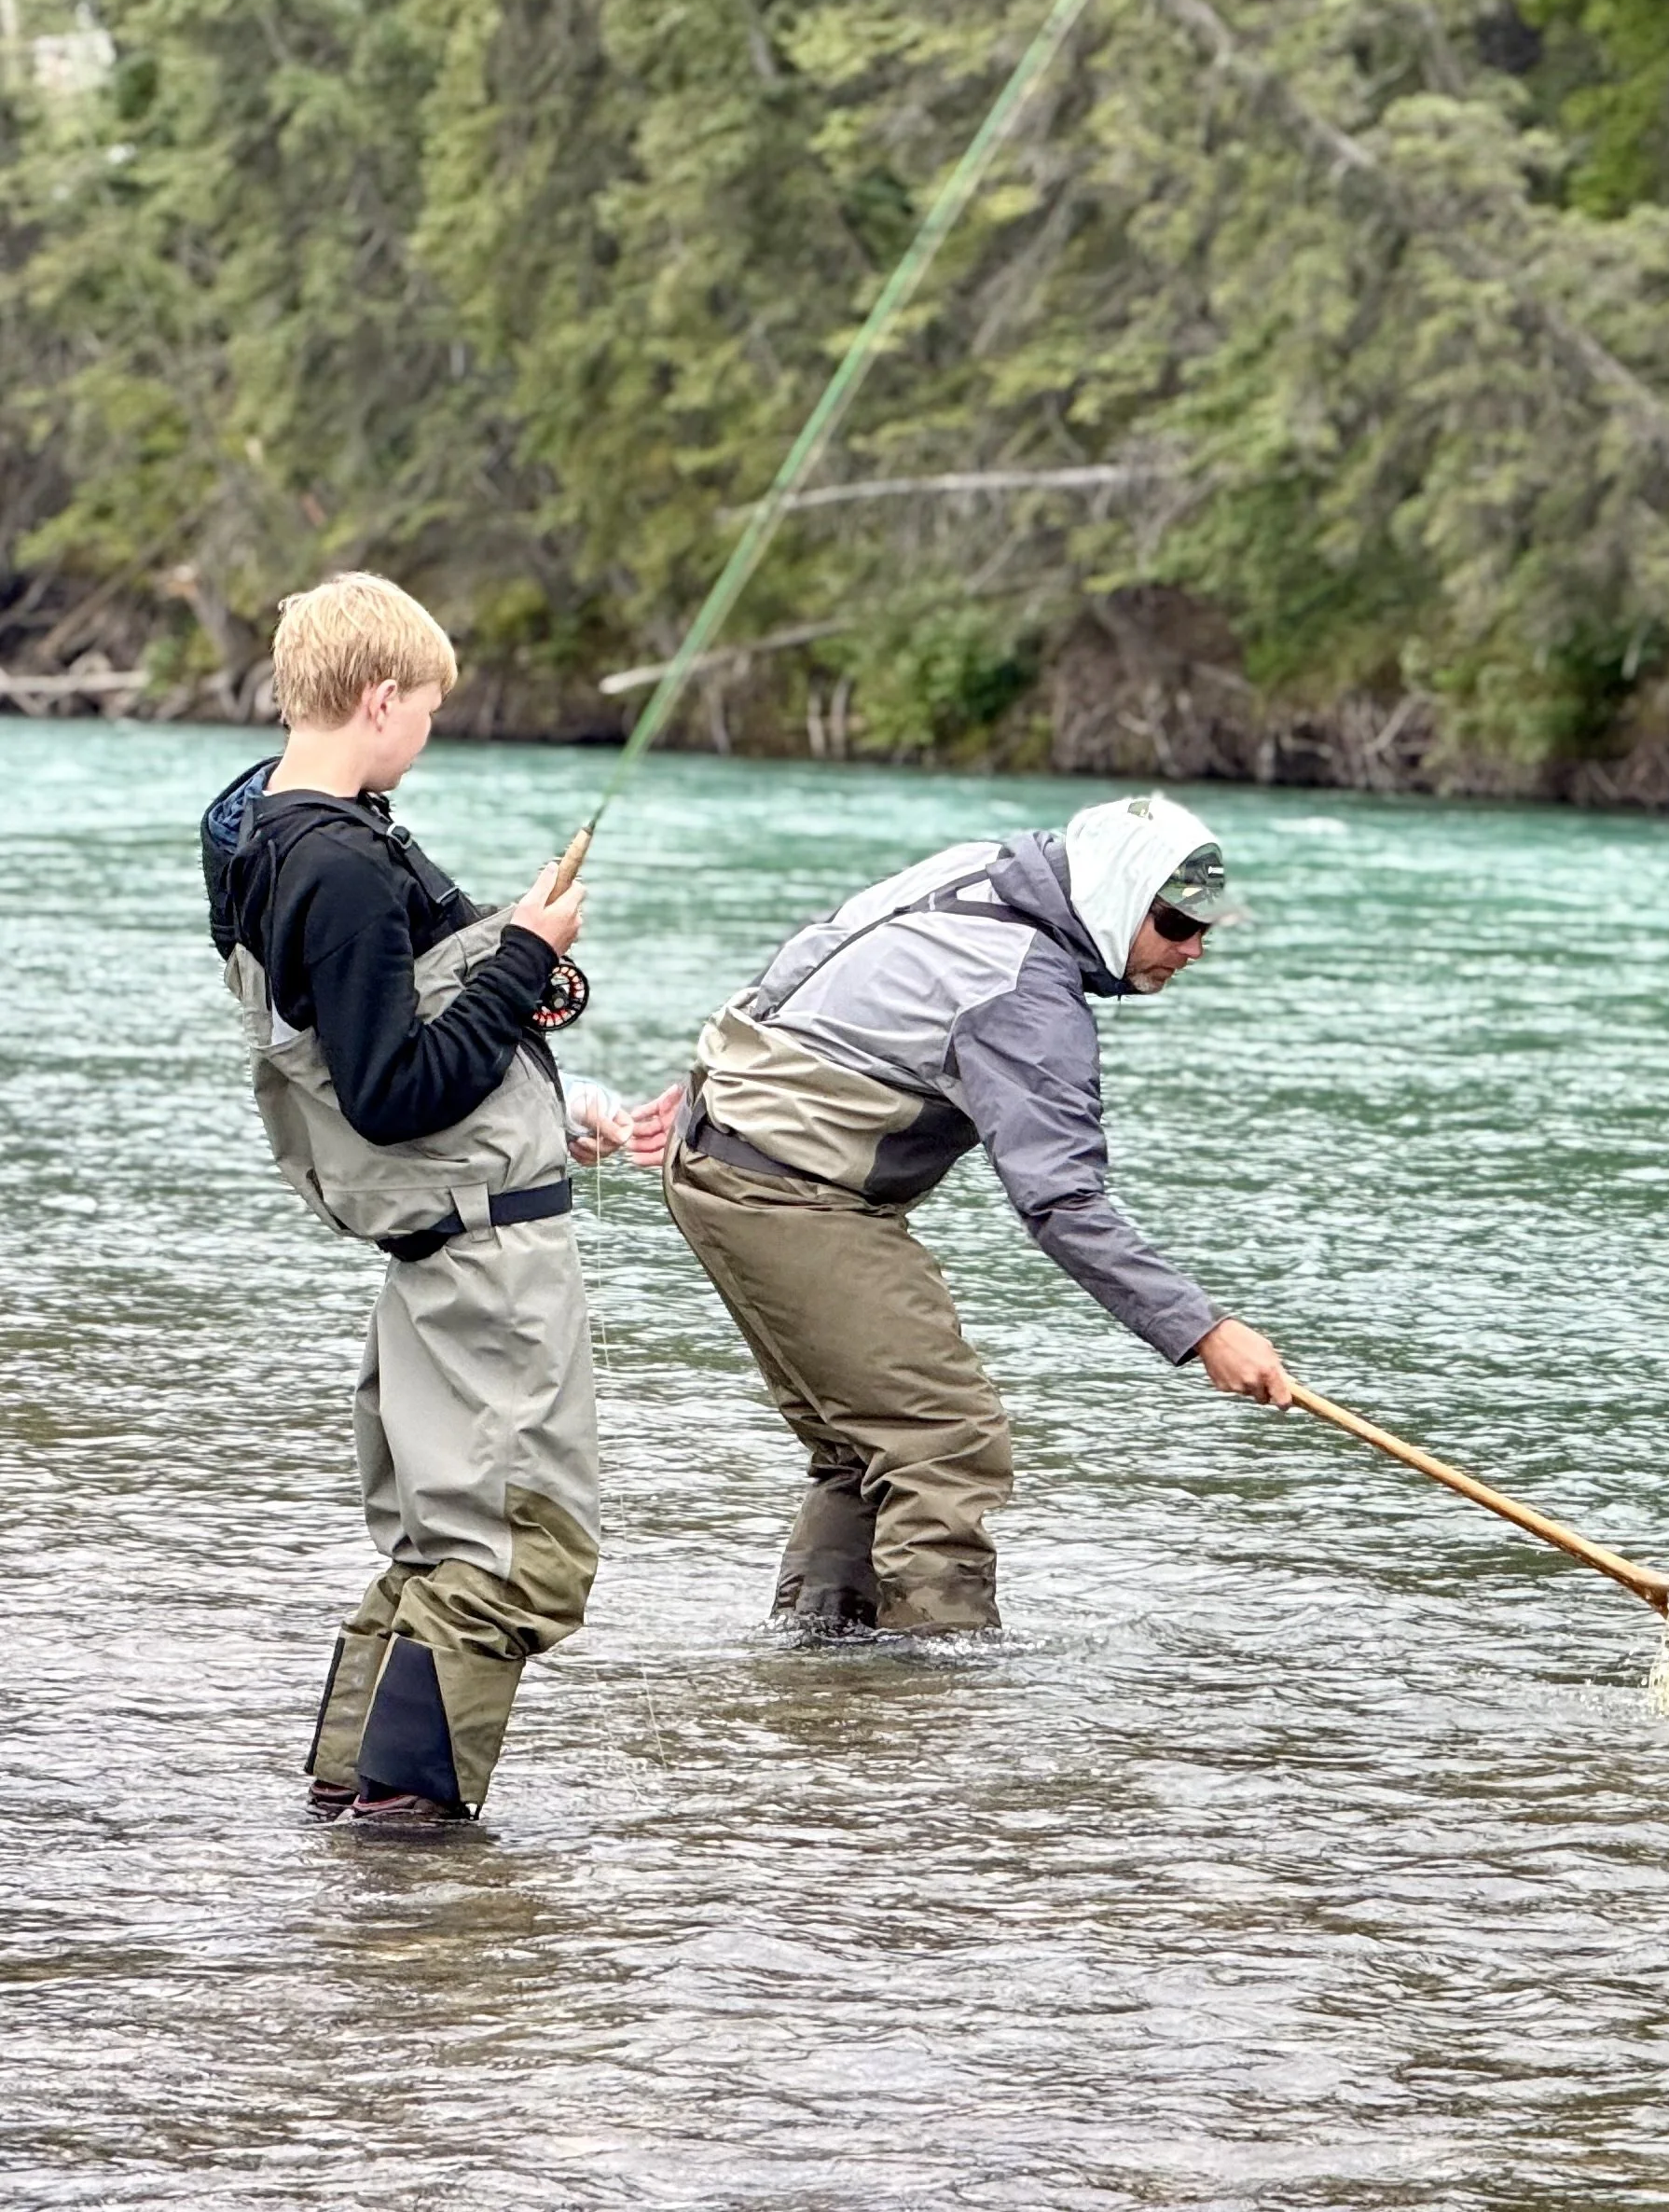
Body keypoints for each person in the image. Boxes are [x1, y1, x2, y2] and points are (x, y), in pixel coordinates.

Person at [629, 792, 1290, 1636]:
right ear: (1118, 898)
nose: (1192, 948)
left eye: (1204, 927)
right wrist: (1204, 1331)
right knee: (944, 1439)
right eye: (1172, 923)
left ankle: (818, 1668)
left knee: (860, 1444)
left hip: (721, 1150)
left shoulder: (983, 867)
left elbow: (814, 952)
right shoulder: (1027, 994)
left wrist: (719, 1076)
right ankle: (942, 1691)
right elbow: (1061, 1201)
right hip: (786, 1188)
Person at [201, 573, 626, 1827]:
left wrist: (547, 1015)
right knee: (516, 1556)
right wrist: (526, 962)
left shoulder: (276, 824)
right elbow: (395, 1091)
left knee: (440, 1546)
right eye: (427, 710)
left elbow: (448, 974)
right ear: (379, 697)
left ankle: (354, 1805)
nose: (429, 735)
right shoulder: (334, 865)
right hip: (478, 1263)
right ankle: (408, 1844)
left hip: (439, 1247)